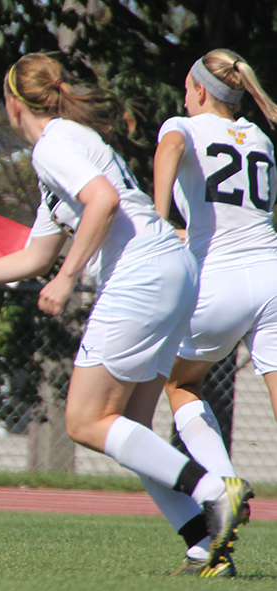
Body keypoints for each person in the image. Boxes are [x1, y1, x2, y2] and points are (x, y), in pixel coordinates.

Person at [0, 52, 254, 577]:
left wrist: (68, 278)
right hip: (174, 268)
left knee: (83, 420)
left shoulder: (53, 144)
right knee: (132, 430)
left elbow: (101, 203)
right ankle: (204, 545)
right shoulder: (72, 142)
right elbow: (35, 254)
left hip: (140, 275)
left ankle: (214, 489)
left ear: (12, 103)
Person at [149, 48, 277, 577]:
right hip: (272, 274)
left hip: (218, 280)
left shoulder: (182, 124)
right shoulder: (262, 137)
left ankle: (222, 483)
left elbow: (173, 144)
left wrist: (158, 224)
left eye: (186, 87)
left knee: (180, 384)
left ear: (200, 90)